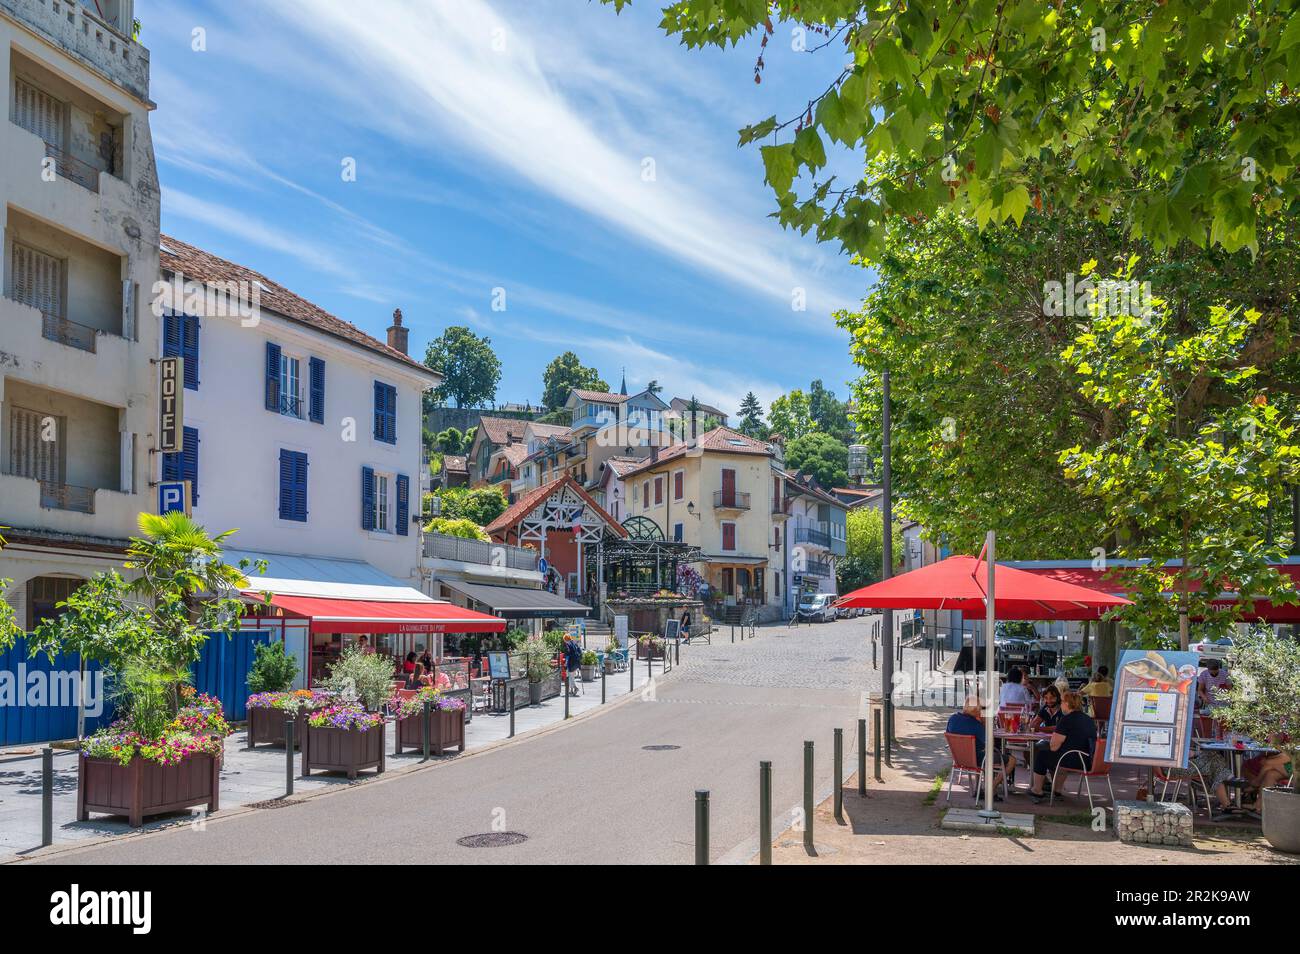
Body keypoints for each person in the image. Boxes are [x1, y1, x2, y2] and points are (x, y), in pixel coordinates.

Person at [1029, 690, 1097, 802]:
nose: (1060, 704)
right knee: (1060, 755)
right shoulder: (1088, 719)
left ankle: (1037, 790)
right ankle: (1057, 789)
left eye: (1062, 702)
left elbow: (1054, 746)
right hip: (1087, 761)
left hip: (1071, 759)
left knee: (1042, 754)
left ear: (1067, 704)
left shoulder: (1067, 719)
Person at [946, 696, 1015, 798]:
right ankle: (991, 788)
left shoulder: (952, 719)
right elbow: (990, 744)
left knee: (987, 755)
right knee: (1011, 760)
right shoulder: (976, 725)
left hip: (958, 759)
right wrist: (984, 723)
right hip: (978, 759)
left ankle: (983, 788)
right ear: (977, 710)